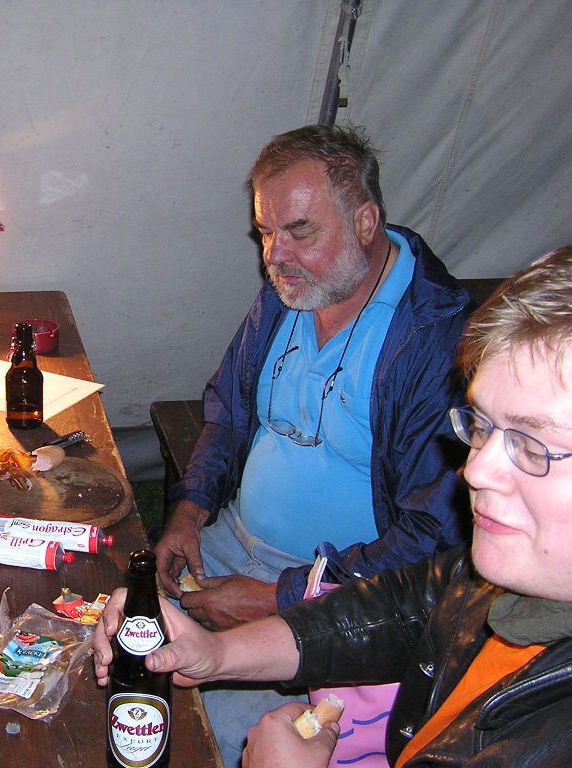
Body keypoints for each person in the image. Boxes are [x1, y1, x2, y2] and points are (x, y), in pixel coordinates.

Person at [96, 246, 572, 767]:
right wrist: (217, 654)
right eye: (480, 426)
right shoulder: (492, 582)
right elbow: (405, 606)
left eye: (532, 445)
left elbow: (422, 537)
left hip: (316, 572)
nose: (474, 470)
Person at [153, 124, 472, 762]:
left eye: (300, 231)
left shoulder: (432, 341)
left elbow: (432, 536)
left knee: (201, 738)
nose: (276, 256)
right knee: (115, 643)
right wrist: (191, 509)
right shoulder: (294, 292)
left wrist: (280, 597)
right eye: (265, 232)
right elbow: (229, 409)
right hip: (229, 542)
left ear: (365, 222)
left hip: (339, 594)